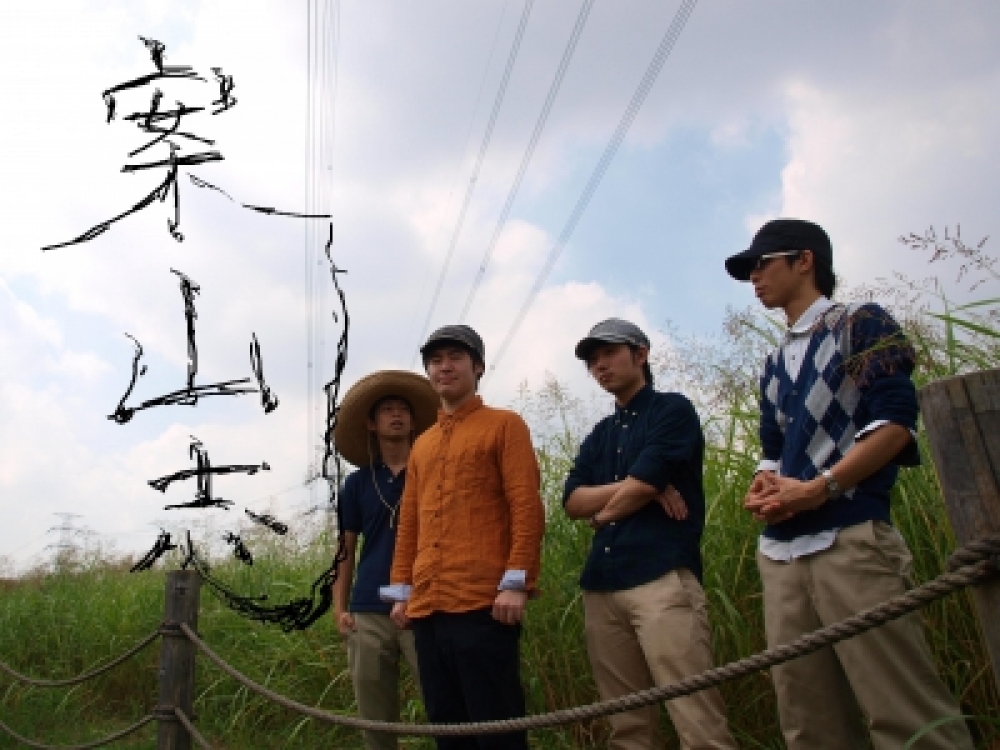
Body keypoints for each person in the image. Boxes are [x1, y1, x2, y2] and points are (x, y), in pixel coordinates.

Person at [726, 218, 974, 749]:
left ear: (805, 260)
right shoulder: (772, 365)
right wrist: (763, 485)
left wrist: (819, 489)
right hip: (781, 556)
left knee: (904, 714)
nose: (753, 277)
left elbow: (896, 425)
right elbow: (773, 450)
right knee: (809, 726)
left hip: (851, 537)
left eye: (762, 263)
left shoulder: (860, 324)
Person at [563, 318, 738, 750]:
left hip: (661, 579)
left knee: (696, 716)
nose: (600, 366)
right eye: (592, 360)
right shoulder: (600, 434)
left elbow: (642, 483)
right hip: (602, 586)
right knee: (627, 727)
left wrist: (604, 515)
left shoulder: (672, 410)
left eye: (609, 353)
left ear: (640, 354)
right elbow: (571, 502)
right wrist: (637, 488)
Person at [380, 325, 545, 750]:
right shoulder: (423, 445)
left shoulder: (505, 425)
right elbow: (410, 522)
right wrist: (402, 591)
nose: (444, 366)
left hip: (485, 603)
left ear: (478, 366)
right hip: (427, 607)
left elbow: (525, 506)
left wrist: (516, 582)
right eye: (435, 360)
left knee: (496, 727)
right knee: (447, 727)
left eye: (455, 357)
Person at [332, 370, 439, 750]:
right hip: (368, 607)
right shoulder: (359, 483)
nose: (397, 415)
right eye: (387, 410)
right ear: (371, 424)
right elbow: (345, 547)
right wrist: (339, 606)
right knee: (375, 717)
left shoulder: (433, 472)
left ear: (414, 422)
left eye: (403, 410)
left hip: (427, 603)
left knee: (442, 706)